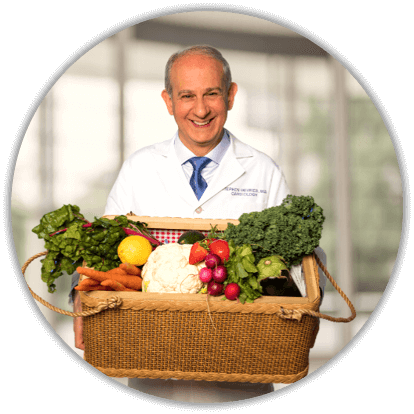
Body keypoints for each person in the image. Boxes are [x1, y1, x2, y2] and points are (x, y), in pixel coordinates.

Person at [72, 44, 325, 402]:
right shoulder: (140, 167)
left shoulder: (262, 169)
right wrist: (80, 297)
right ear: (168, 101)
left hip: (243, 370)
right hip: (152, 369)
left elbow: (300, 261)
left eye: (212, 94)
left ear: (231, 95)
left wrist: (309, 307)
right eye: (186, 95)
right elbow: (100, 247)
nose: (201, 109)